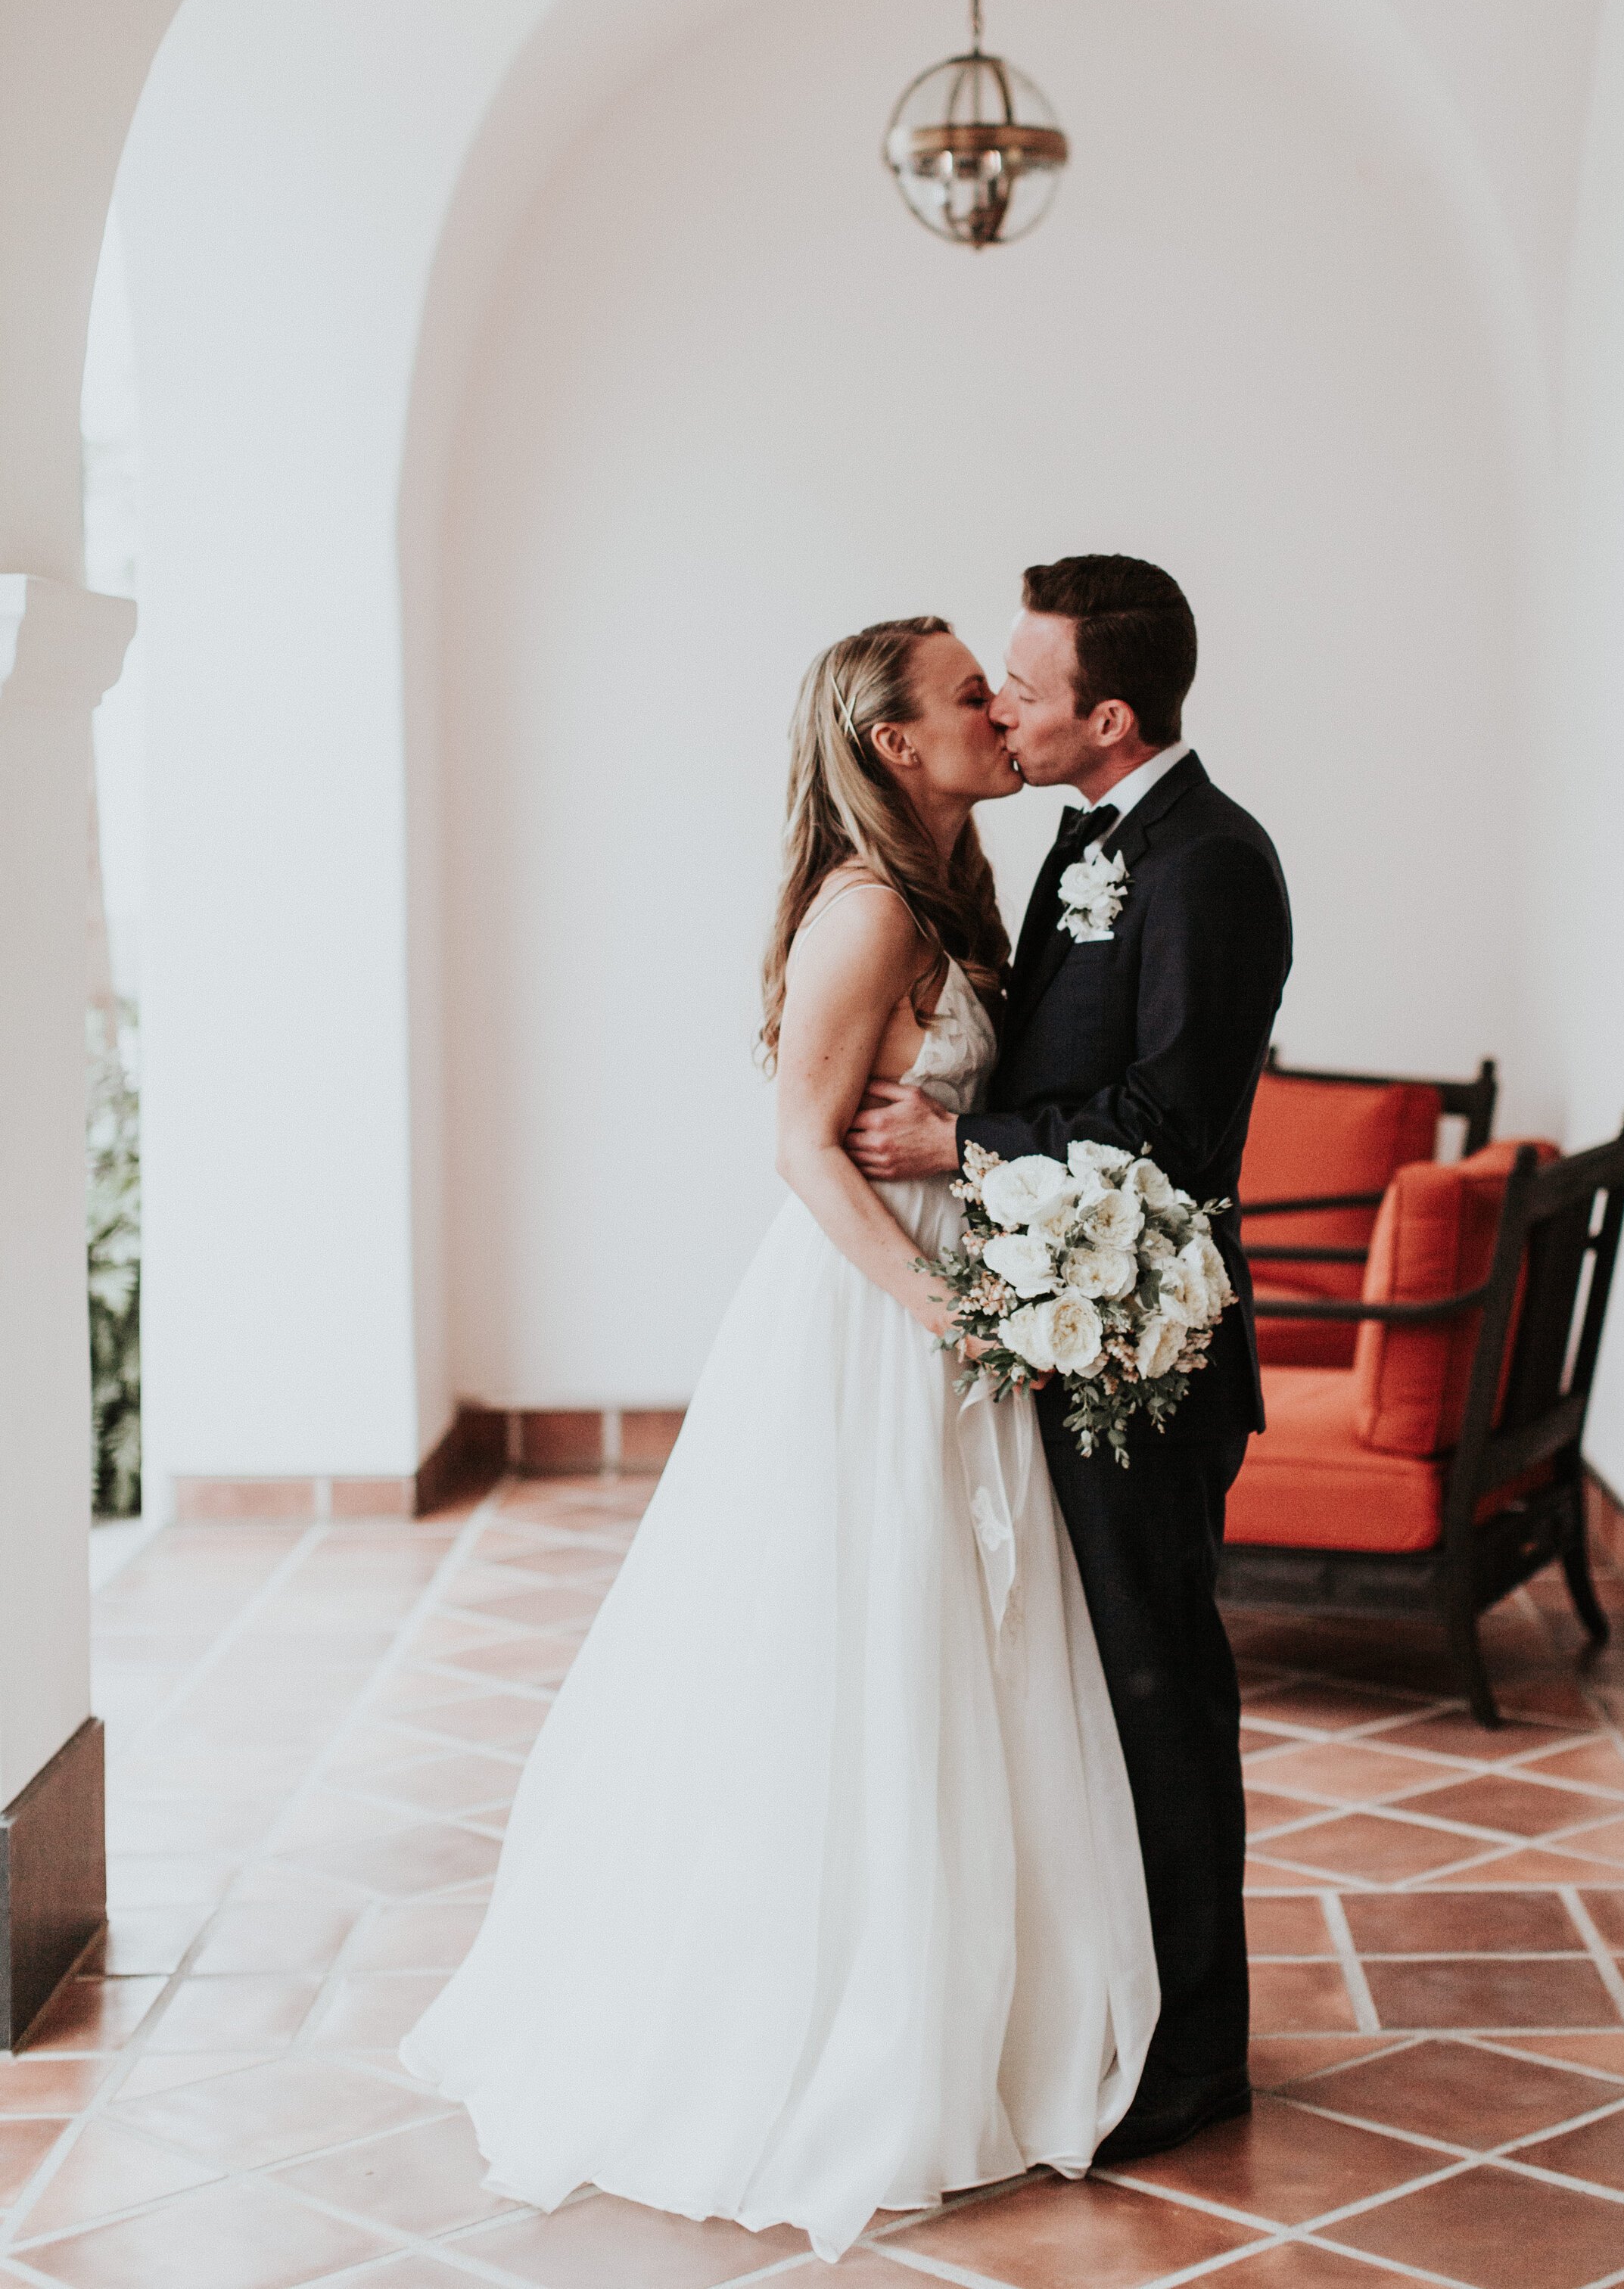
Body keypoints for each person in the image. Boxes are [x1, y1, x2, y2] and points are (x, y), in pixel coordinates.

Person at [401, 614, 1156, 2263]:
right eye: (968, 696)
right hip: (874, 1329)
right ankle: (838, 2021)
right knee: (859, 1649)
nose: (995, 712)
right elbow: (803, 1153)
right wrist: (939, 1315)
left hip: (954, 1305)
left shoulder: (951, 895)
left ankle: (975, 2002)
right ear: (895, 744)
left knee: (966, 1651)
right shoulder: (870, 908)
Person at [848, 555, 1292, 2163]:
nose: (1001, 709)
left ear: (1108, 716)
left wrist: (966, 1141)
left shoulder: (1209, 865)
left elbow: (1171, 1125)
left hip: (1145, 1352)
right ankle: (1114, 2007)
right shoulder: (1081, 845)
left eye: (1023, 689)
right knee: (1090, 1694)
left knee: (1159, 1688)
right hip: (1065, 1330)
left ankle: (1194, 2058)